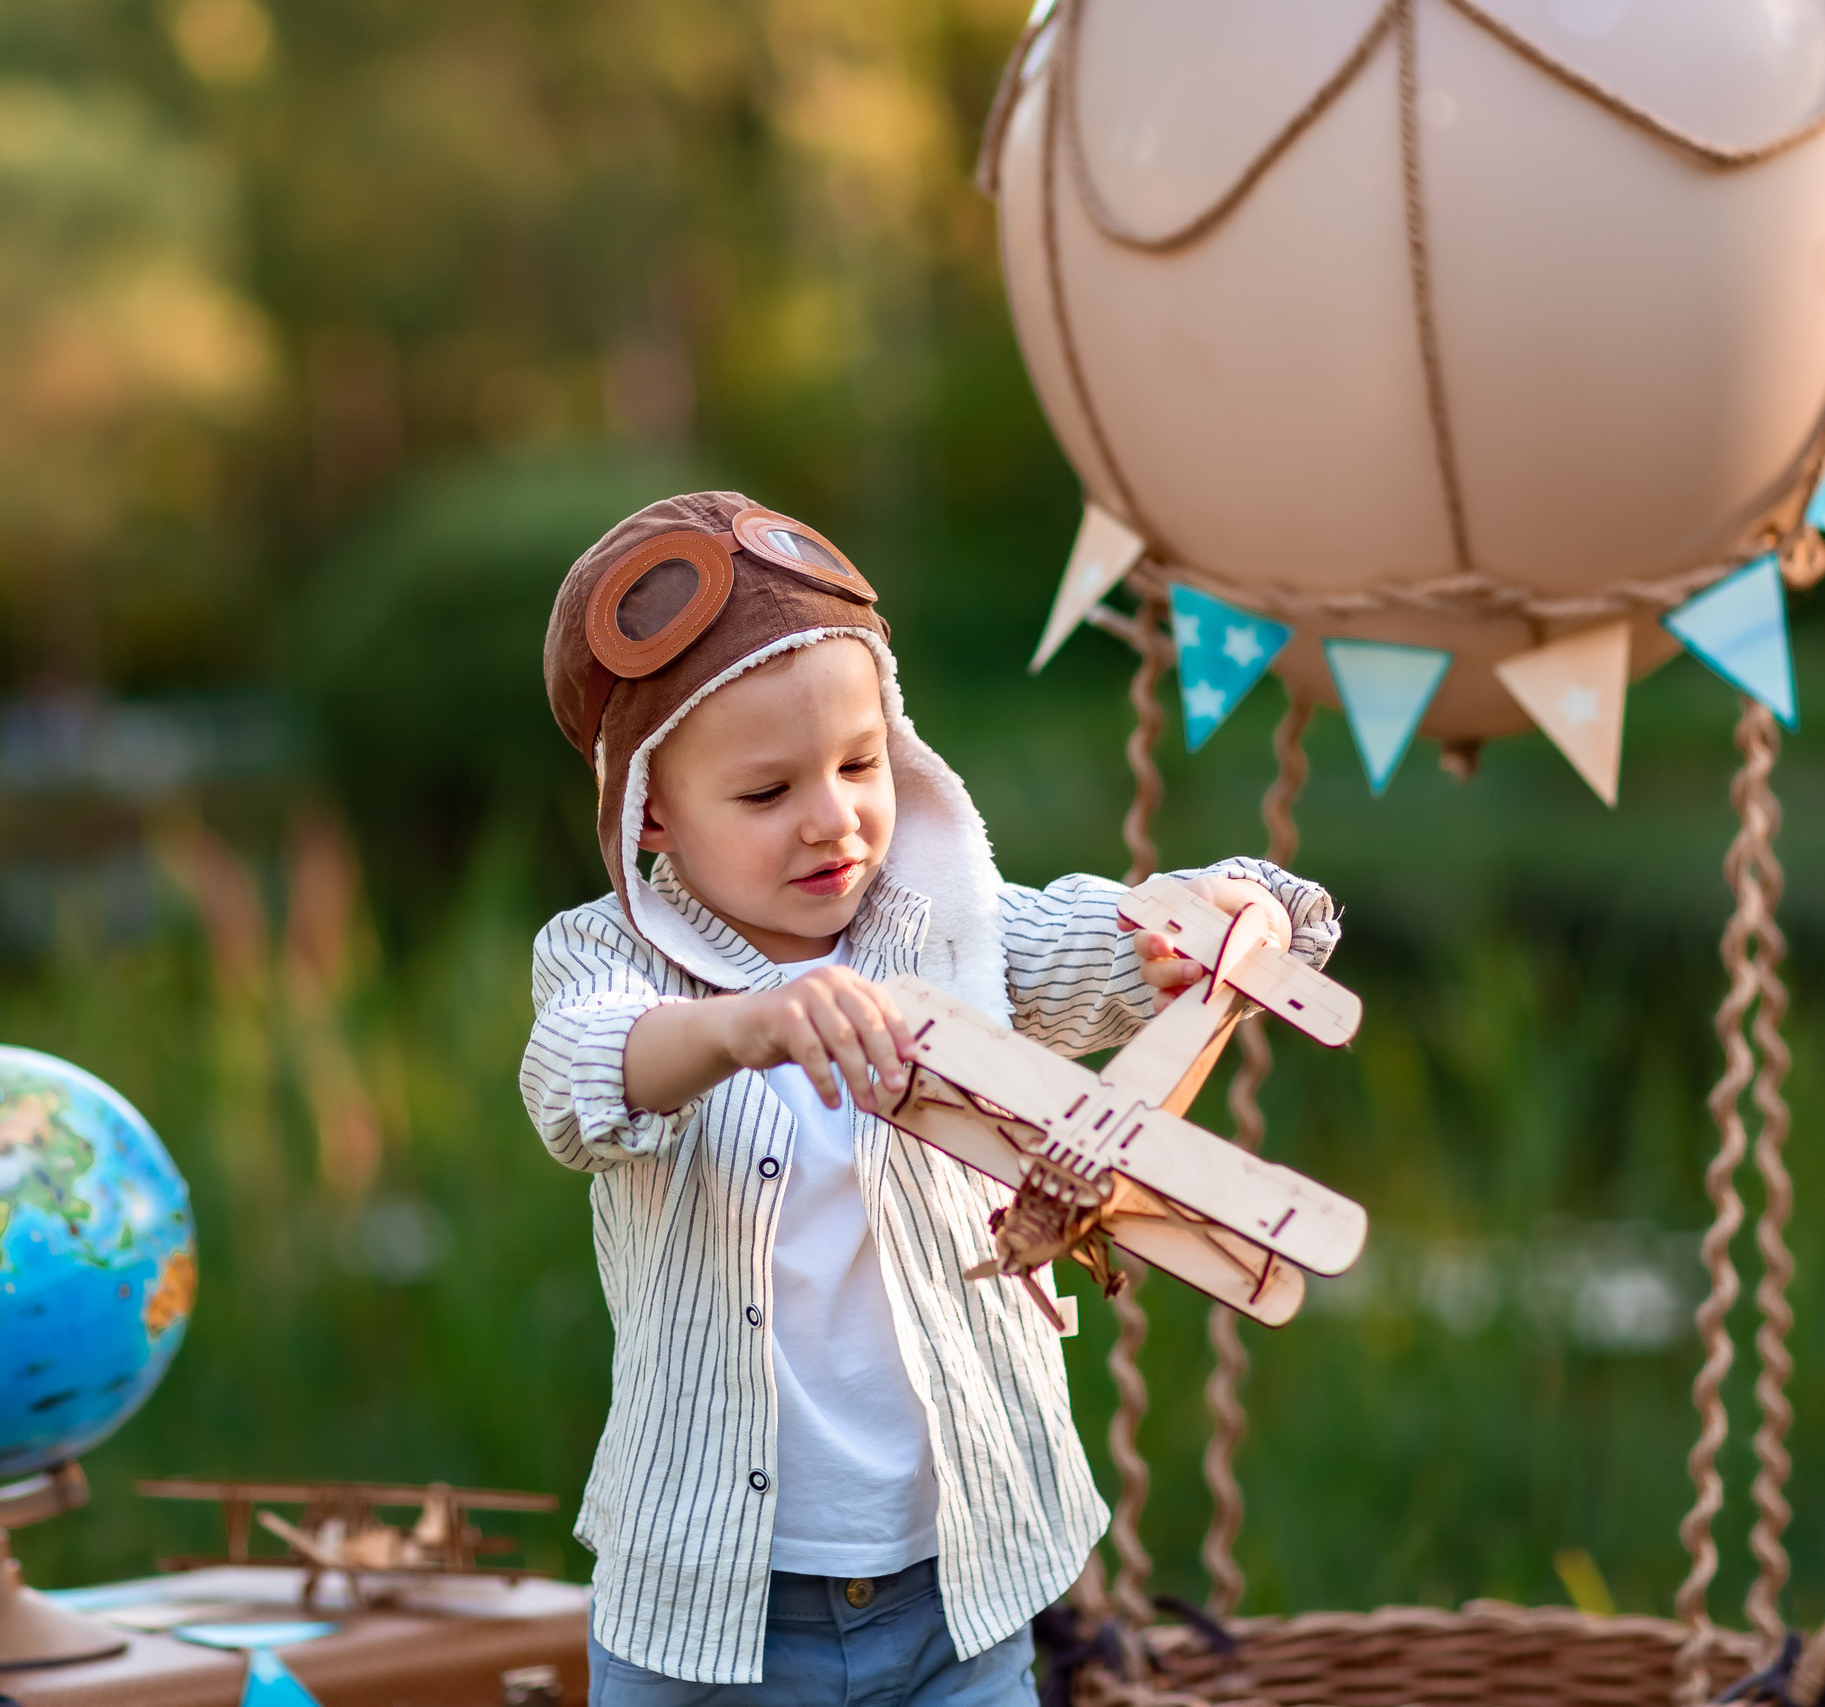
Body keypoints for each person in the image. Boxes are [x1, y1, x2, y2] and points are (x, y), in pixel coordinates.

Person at [520, 492, 1339, 1707]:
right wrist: (749, 1026)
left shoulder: (954, 937)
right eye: (764, 794)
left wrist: (1230, 915)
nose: (832, 818)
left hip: (958, 1597)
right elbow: (576, 1083)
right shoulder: (606, 960)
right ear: (648, 811)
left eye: (860, 764)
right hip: (711, 1612)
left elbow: (1133, 936)